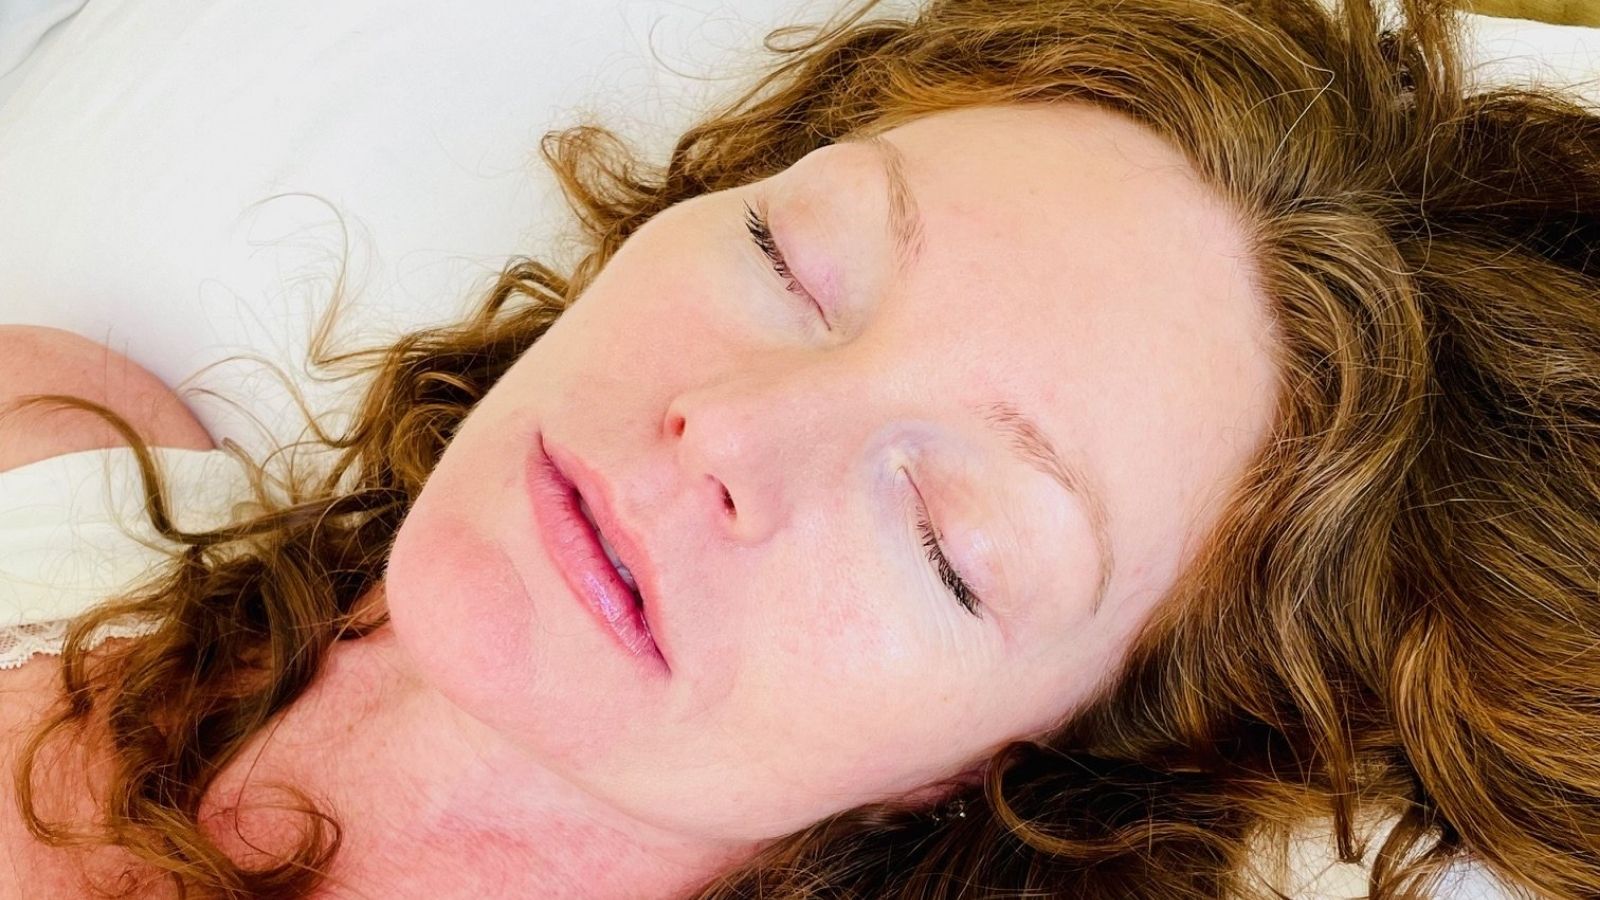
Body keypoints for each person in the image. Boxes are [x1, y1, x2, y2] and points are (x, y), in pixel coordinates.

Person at [2, 0, 1596, 895]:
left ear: (1030, 773)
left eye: (946, 544)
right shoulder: (63, 463)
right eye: (793, 263)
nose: (730, 428)